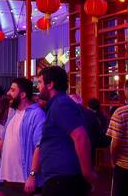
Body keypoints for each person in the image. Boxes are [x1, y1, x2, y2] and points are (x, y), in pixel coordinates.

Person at [0, 77, 46, 194]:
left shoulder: (36, 114)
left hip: (23, 180)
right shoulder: (12, 113)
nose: (8, 93)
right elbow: (2, 141)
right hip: (6, 178)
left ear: (22, 95)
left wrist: (32, 174)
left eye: (12, 90)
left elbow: (39, 146)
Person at [35, 66, 97, 195]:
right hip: (59, 179)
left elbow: (80, 137)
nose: (37, 87)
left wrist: (87, 172)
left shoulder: (61, 104)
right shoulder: (56, 105)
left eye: (40, 82)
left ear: (50, 84)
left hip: (63, 181)